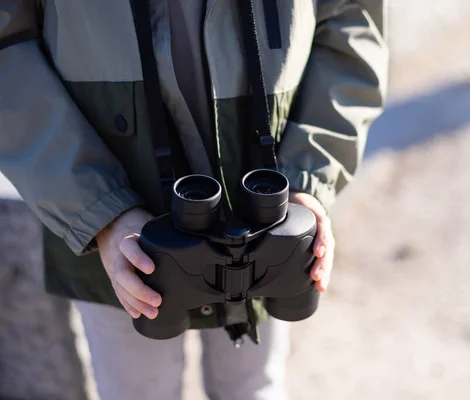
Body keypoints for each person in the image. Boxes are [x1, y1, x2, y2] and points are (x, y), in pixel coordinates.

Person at [0, 0, 388, 399]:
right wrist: (100, 211)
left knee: (251, 388)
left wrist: (305, 179)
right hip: (117, 242)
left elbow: (350, 17)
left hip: (269, 207)